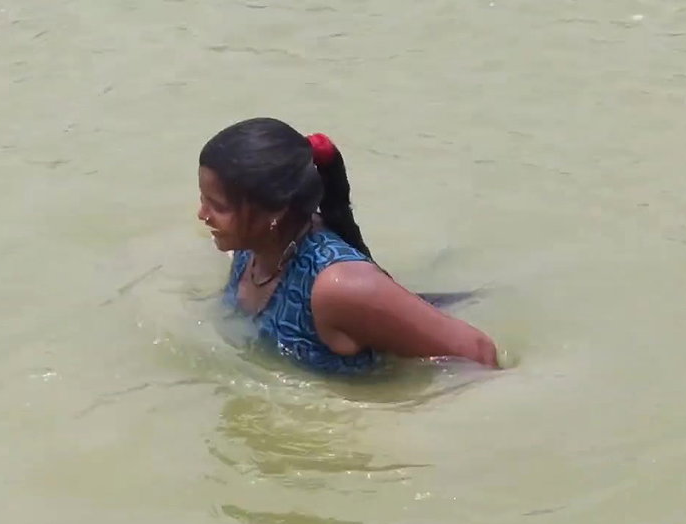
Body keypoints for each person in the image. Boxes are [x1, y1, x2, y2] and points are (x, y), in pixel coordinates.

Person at [197, 117, 500, 375]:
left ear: (273, 212)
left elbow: (478, 352)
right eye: (203, 199)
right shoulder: (250, 248)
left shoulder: (338, 287)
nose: (202, 214)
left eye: (218, 206)